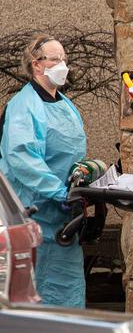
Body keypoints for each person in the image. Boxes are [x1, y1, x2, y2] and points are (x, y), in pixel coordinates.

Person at [0, 34, 87, 308]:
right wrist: (60, 192)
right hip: (34, 211)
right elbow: (22, 157)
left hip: (62, 216)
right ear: (37, 65)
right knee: (37, 292)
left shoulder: (63, 103)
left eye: (64, 59)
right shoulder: (24, 106)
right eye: (55, 59)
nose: (63, 65)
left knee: (68, 290)